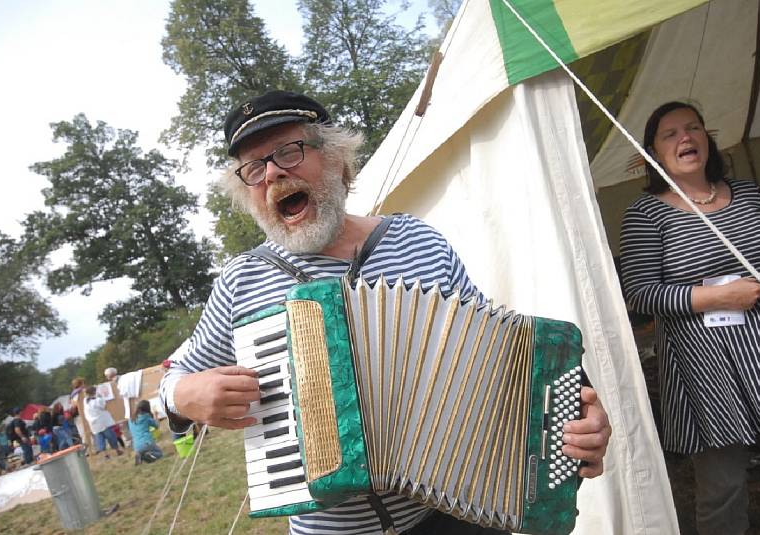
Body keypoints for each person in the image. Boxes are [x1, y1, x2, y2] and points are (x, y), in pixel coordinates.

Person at [159, 90, 612, 535]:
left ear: (338, 161)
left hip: (459, 512)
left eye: (289, 152)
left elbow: (502, 358)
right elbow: (174, 379)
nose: (273, 172)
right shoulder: (244, 279)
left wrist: (572, 423)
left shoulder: (417, 241)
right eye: (253, 168)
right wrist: (180, 396)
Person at [619, 101, 760, 535]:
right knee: (723, 485)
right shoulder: (646, 213)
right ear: (653, 153)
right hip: (705, 364)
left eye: (693, 128)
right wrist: (716, 296)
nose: (685, 138)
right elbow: (640, 292)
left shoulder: (748, 193)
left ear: (707, 139)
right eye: (670, 134)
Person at [83, 386, 124, 459]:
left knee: (100, 439)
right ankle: (117, 451)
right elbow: (103, 406)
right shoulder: (97, 400)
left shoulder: (86, 401)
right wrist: (100, 397)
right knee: (111, 437)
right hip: (103, 422)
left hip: (94, 424)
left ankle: (106, 455)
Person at [128, 400, 163, 465]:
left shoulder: (131, 419)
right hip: (147, 442)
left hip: (136, 445)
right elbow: (156, 426)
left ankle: (141, 454)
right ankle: (148, 454)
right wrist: (156, 415)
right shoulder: (146, 417)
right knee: (160, 454)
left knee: (144, 450)